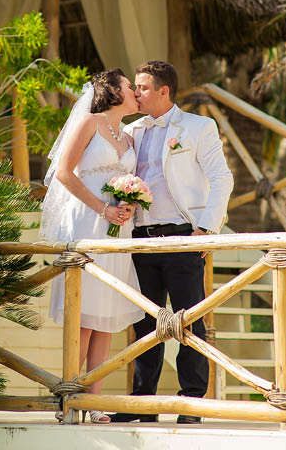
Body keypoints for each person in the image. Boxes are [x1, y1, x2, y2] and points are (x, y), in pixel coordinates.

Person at [110, 60, 233, 425]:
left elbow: (221, 178)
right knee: (145, 324)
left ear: (164, 91)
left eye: (143, 87)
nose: (136, 93)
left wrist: (207, 230)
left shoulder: (198, 127)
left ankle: (190, 404)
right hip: (140, 240)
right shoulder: (132, 130)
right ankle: (143, 404)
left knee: (188, 323)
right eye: (135, 86)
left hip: (182, 236)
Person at [41, 69, 145, 424]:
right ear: (113, 91)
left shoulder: (129, 138)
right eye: (130, 87)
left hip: (118, 227)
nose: (135, 92)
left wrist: (129, 204)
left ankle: (94, 401)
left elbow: (131, 182)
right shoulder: (88, 122)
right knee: (84, 314)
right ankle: (69, 397)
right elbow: (64, 173)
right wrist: (102, 207)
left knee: (106, 317)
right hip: (87, 220)